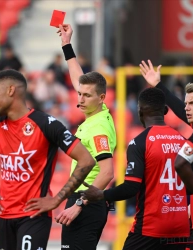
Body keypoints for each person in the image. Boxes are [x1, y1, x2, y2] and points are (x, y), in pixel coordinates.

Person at [0, 69, 96, 250]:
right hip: (5, 216)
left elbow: (86, 160)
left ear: (11, 91)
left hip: (33, 216)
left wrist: (57, 199)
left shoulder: (45, 123)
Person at [79, 87, 193, 250]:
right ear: (165, 110)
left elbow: (131, 188)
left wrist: (101, 194)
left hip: (150, 228)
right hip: (180, 228)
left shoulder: (139, 142)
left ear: (140, 111)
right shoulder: (184, 142)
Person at [46, 24, 117, 250]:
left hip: (87, 201)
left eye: (86, 96)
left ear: (102, 97)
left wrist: (79, 204)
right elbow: (79, 78)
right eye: (79, 94)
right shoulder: (98, 111)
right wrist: (66, 44)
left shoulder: (98, 128)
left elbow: (107, 172)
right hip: (87, 200)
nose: (81, 99)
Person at [139, 60, 193, 250]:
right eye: (187, 103)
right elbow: (181, 109)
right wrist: (158, 85)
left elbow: (180, 163)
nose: (187, 107)